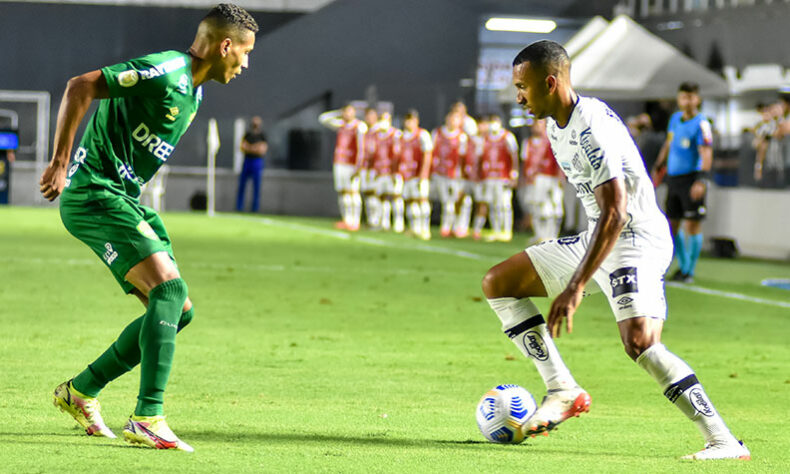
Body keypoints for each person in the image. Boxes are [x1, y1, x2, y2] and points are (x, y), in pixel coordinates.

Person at [482, 40, 749, 461]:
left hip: (635, 238)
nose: (518, 96)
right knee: (500, 282)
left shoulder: (591, 127)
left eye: (523, 87)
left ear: (550, 82)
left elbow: (617, 212)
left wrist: (575, 286)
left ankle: (723, 441)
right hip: (600, 236)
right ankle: (562, 389)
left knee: (641, 342)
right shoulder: (556, 124)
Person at [38, 4, 258, 452]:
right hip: (95, 195)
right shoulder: (166, 70)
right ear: (226, 46)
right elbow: (81, 85)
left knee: (180, 310)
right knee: (170, 292)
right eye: (246, 53)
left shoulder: (194, 93)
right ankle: (147, 416)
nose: (246, 64)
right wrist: (61, 161)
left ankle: (80, 391)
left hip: (121, 199)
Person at [652, 82, 713, 283]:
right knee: (672, 224)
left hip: (692, 179)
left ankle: (689, 270)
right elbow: (669, 143)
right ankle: (683, 267)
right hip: (674, 179)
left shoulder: (702, 124)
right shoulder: (675, 119)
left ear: (698, 99)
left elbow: (706, 152)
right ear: (679, 99)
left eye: (691, 97)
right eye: (684, 97)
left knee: (692, 225)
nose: (687, 101)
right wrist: (659, 165)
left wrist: (701, 180)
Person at [319, 103, 366, 231]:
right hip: (340, 163)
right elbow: (323, 118)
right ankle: (346, 219)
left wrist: (358, 166)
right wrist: (337, 113)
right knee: (342, 192)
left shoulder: (359, 126)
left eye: (349, 111)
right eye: (345, 111)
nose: (347, 114)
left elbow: (362, 148)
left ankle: (355, 221)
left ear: (354, 112)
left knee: (353, 192)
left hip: (351, 164)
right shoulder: (341, 125)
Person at [520, 118, 563, 244]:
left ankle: (552, 234)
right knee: (535, 207)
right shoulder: (527, 142)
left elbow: (559, 159)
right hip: (534, 179)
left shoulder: (551, 140)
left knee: (553, 207)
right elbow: (525, 161)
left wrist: (560, 175)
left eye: (540, 123)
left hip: (550, 177)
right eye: (535, 124)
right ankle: (539, 234)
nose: (536, 126)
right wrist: (523, 178)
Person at [479, 114, 519, 242]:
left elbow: (514, 156)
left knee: (504, 204)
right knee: (492, 204)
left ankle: (506, 230)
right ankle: (496, 229)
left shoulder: (507, 137)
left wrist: (514, 174)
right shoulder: (485, 139)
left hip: (503, 176)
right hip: (490, 176)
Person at [397, 109, 433, 240]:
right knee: (410, 201)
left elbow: (427, 155)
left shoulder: (422, 135)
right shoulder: (402, 136)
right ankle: (415, 227)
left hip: (418, 175)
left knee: (422, 199)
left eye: (411, 119)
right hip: (407, 174)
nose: (408, 122)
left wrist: (423, 174)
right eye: (407, 119)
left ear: (416, 121)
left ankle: (425, 228)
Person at [431, 111, 468, 237]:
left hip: (455, 176)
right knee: (446, 202)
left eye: (456, 119)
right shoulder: (438, 133)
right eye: (451, 118)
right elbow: (432, 153)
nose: (452, 122)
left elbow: (464, 158)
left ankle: (457, 227)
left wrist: (462, 175)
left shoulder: (462, 137)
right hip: (440, 173)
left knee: (457, 202)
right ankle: (445, 226)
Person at [370, 112, 401, 232]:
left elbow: (398, 154)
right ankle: (384, 222)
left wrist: (395, 171)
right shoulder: (376, 135)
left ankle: (399, 223)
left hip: (392, 172)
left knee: (396, 196)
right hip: (380, 171)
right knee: (381, 197)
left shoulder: (395, 134)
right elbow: (373, 154)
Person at [235, 115, 268, 212]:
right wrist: (255, 148)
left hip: (257, 162)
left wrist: (250, 148)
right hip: (247, 161)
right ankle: (239, 207)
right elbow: (243, 147)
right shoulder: (247, 135)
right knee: (242, 185)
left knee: (256, 186)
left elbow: (262, 150)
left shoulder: (262, 136)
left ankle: (255, 208)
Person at [360, 107, 380, 227]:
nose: (369, 118)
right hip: (365, 167)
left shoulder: (380, 131)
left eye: (372, 116)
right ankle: (371, 220)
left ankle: (378, 220)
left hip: (377, 168)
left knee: (375, 194)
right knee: (367, 194)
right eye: (367, 116)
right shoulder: (365, 131)